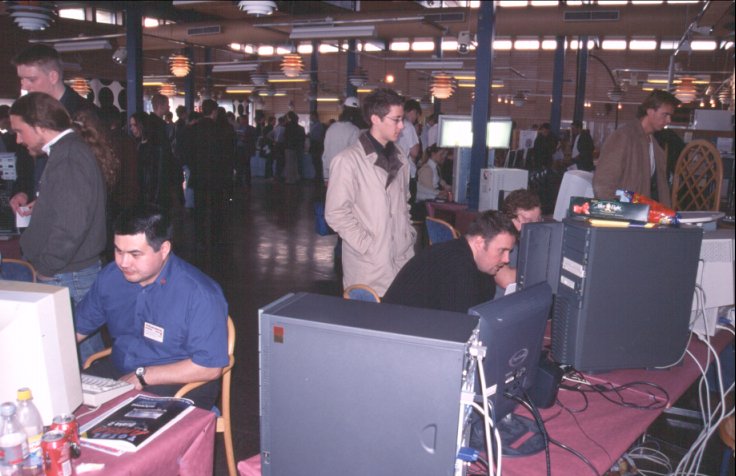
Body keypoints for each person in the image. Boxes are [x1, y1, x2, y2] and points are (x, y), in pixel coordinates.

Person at [75, 205, 228, 409]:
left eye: (135, 254)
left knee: (128, 429)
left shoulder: (199, 293)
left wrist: (144, 376)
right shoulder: (110, 278)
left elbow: (209, 367)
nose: (123, 262)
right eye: (118, 251)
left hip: (181, 381)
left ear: (164, 249)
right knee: (65, 401)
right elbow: (76, 330)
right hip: (121, 370)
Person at [9, 92, 107, 362]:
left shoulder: (68, 156)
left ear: (40, 126)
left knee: (84, 356)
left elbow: (71, 224)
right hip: (70, 269)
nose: (18, 139)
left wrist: (48, 267)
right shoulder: (67, 152)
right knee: (82, 351)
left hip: (68, 272)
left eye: (20, 131)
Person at [325, 88, 416, 297]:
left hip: (402, 262)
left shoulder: (401, 157)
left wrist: (407, 234)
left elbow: (405, 203)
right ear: (375, 119)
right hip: (369, 267)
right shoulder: (348, 162)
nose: (401, 126)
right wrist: (368, 245)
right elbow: (335, 213)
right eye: (396, 120)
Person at [10, 44, 101, 218]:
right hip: (36, 215)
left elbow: (93, 174)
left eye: (31, 79)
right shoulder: (29, 112)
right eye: (21, 80)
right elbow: (26, 161)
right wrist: (22, 190)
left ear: (53, 76)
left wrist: (49, 200)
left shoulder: (85, 114)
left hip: (71, 217)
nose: (25, 86)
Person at [382, 211, 518, 313]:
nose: (507, 259)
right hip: (397, 338)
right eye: (501, 251)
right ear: (479, 243)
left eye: (509, 252)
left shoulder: (478, 264)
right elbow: (461, 329)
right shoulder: (455, 266)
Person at [593, 89, 680, 206]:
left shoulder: (657, 148)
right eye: (665, 115)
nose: (669, 120)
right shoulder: (622, 137)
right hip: (623, 219)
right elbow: (603, 184)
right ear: (650, 111)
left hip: (643, 217)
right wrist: (614, 215)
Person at [493, 189, 542, 294]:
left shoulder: (531, 238)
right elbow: (505, 279)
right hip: (499, 302)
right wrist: (543, 270)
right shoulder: (499, 236)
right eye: (528, 221)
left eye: (537, 220)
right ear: (510, 218)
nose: (534, 226)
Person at [322, 97, 362, 185]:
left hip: (332, 172)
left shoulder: (331, 128)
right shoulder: (355, 130)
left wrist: (326, 176)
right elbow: (355, 156)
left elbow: (326, 154)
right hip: (347, 174)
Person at [283, 111, 305, 184]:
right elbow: (303, 139)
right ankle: (296, 177)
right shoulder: (301, 128)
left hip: (289, 147)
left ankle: (290, 179)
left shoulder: (287, 126)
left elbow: (285, 137)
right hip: (298, 147)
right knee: (295, 164)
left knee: (289, 164)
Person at [308, 112, 326, 183]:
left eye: (311, 116)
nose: (310, 118)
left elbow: (317, 136)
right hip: (314, 145)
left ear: (315, 116)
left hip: (316, 146)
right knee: (315, 162)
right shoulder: (314, 125)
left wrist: (310, 135)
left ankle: (318, 177)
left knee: (317, 162)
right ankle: (317, 176)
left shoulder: (318, 125)